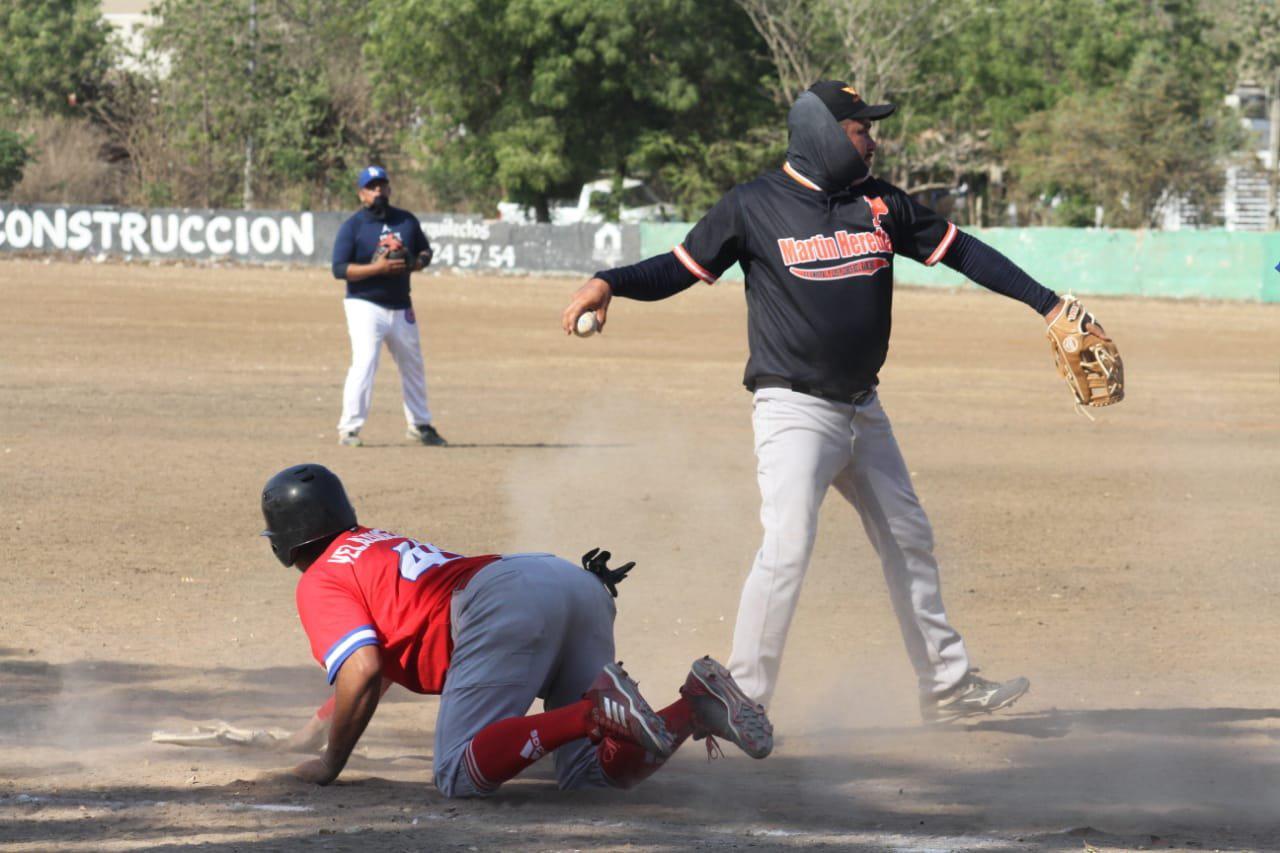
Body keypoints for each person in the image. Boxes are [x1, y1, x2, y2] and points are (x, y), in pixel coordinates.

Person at [562, 81, 1118, 724]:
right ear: (824, 133)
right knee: (787, 548)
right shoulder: (753, 205)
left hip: (864, 409)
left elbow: (962, 250)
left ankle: (946, 686)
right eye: (862, 129)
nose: (872, 141)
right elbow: (677, 268)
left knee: (909, 538)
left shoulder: (878, 203)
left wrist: (1046, 303)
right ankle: (742, 697)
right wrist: (609, 282)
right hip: (794, 410)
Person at [260, 463, 773, 796]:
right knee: (589, 777)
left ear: (285, 540)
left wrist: (330, 762)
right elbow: (390, 650)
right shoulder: (373, 543)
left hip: (505, 603)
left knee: (457, 774)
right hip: (569, 584)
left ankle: (594, 710)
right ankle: (695, 705)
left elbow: (363, 668)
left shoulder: (320, 578)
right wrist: (318, 727)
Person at [331, 165, 446, 448]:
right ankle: (349, 429)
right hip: (364, 304)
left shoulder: (406, 221)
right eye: (371, 187)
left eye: (382, 185)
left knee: (413, 364)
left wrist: (415, 263)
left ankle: (420, 425)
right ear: (361, 194)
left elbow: (425, 251)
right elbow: (339, 269)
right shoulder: (353, 226)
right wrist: (377, 268)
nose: (378, 191)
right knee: (365, 362)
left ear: (390, 189)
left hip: (401, 305)